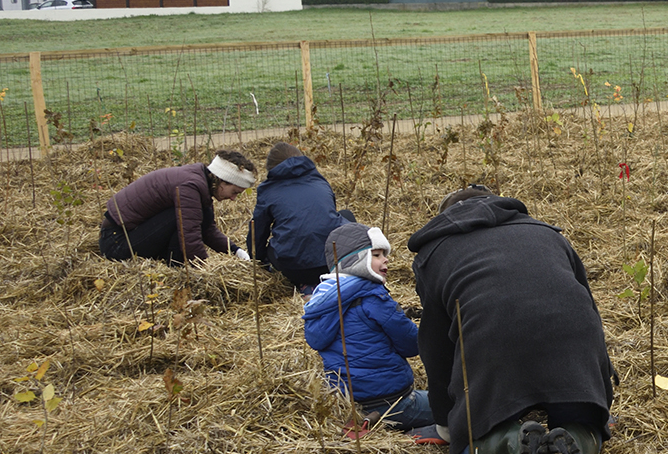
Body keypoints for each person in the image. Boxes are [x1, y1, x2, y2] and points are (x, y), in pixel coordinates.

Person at [407, 185, 617, 454]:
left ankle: (511, 446)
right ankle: (576, 439)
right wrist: (599, 399)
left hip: (493, 342)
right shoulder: (547, 233)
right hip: (571, 342)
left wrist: (449, 423)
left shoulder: (432, 254)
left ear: (446, 218)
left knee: (468, 449)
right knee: (587, 423)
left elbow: (436, 347)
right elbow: (587, 310)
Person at [303, 222, 432, 430]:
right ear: (357, 260)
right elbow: (412, 345)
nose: (385, 259)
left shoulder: (322, 297)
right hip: (392, 401)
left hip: (347, 402)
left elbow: (316, 340)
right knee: (456, 406)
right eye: (377, 254)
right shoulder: (373, 297)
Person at [100, 151, 256, 265]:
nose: (233, 198)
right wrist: (205, 269)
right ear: (222, 180)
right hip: (116, 243)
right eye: (234, 192)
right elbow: (190, 234)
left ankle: (175, 264)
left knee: (191, 216)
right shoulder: (190, 186)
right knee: (180, 218)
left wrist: (236, 251)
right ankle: (176, 265)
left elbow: (207, 229)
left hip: (128, 235)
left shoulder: (200, 182)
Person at [251, 141, 352, 292]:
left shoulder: (268, 190)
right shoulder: (320, 181)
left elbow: (258, 232)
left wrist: (257, 261)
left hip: (294, 270)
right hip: (334, 264)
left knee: (271, 245)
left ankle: (305, 286)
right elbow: (326, 219)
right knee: (346, 215)